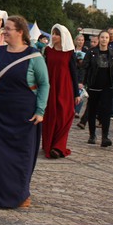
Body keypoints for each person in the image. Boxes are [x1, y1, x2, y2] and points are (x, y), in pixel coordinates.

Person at [0, 15, 49, 208]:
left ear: (20, 32)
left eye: (8, 28)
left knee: (20, 156)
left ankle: (22, 194)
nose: (4, 31)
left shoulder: (35, 57)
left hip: (23, 113)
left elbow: (44, 84)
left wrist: (40, 110)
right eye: (5, 28)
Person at [41, 24, 79, 159]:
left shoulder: (69, 52)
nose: (54, 36)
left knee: (64, 116)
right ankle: (48, 144)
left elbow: (74, 73)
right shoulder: (48, 51)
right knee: (50, 115)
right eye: (53, 34)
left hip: (65, 87)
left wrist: (76, 93)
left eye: (57, 34)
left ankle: (59, 146)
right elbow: (43, 69)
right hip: (50, 87)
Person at [83, 30, 113, 147]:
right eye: (102, 37)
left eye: (106, 38)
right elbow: (85, 67)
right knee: (92, 110)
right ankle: (92, 135)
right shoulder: (91, 52)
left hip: (107, 86)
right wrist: (82, 82)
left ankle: (105, 136)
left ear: (109, 40)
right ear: (99, 39)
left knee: (106, 112)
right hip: (94, 85)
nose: (104, 39)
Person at [73, 33, 88, 120]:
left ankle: (77, 111)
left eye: (82, 40)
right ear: (75, 41)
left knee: (80, 93)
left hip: (81, 74)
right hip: (73, 72)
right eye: (79, 40)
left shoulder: (86, 52)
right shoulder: (71, 51)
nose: (80, 42)